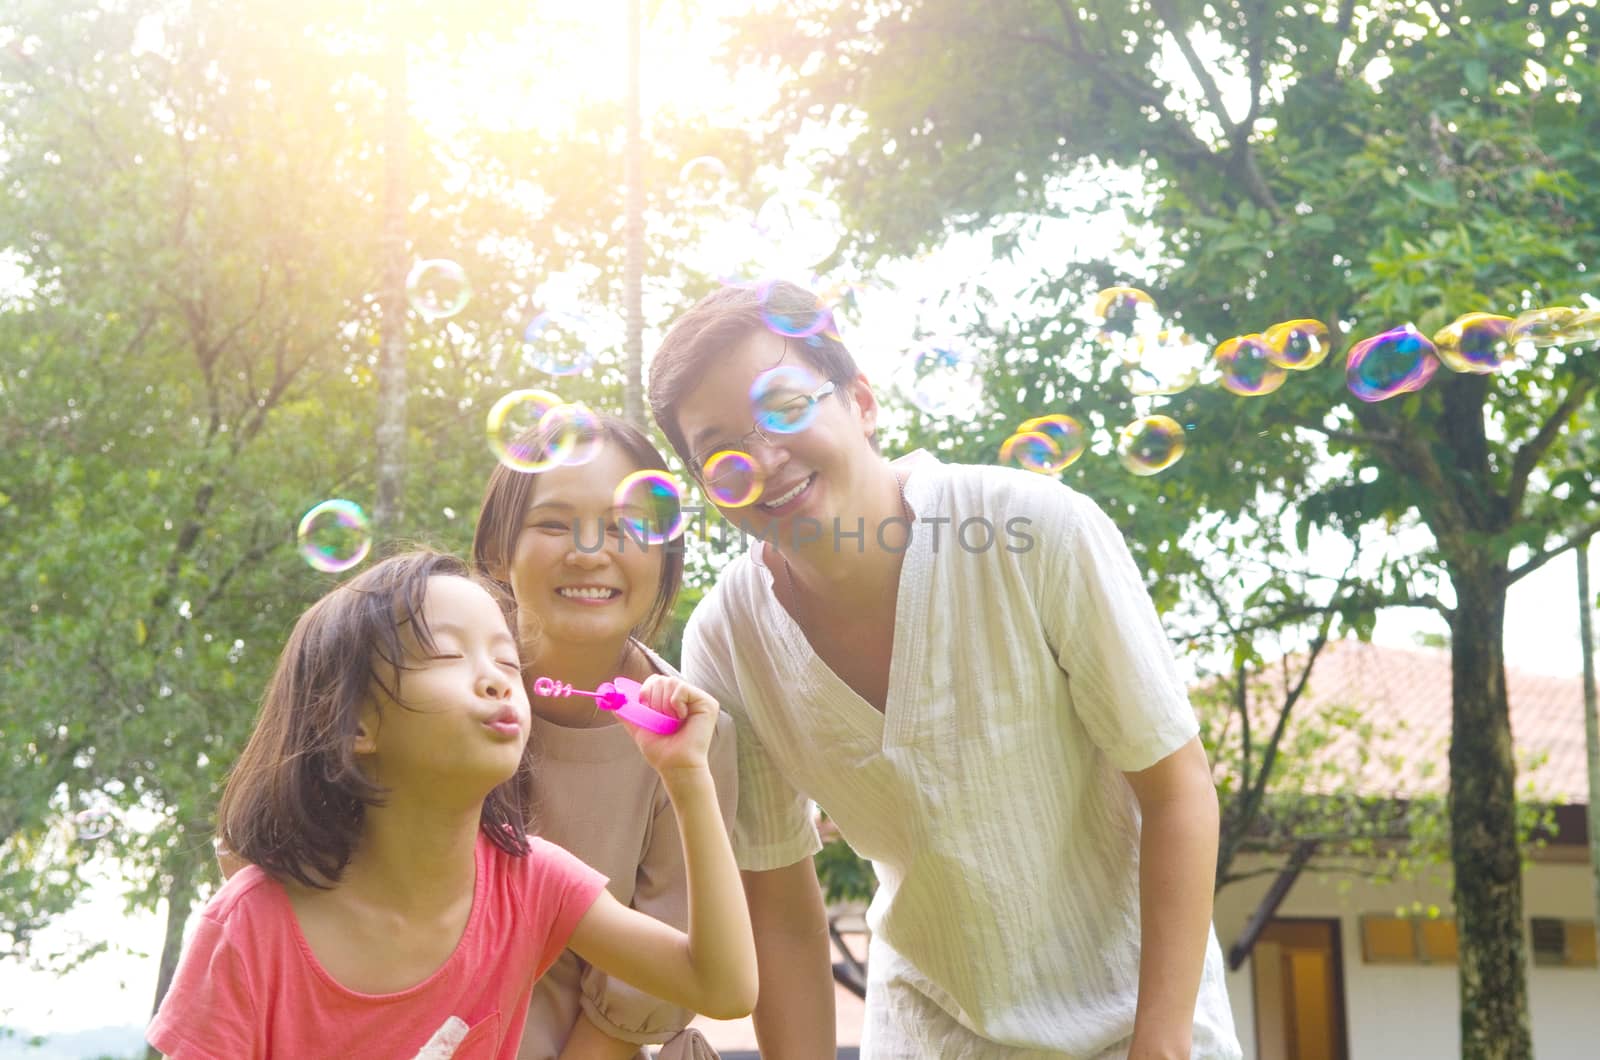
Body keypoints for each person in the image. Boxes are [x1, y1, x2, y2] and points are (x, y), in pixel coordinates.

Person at [647, 280, 1242, 1059]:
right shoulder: (728, 637)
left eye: (785, 409)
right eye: (720, 450)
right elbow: (784, 907)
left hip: (1137, 1016)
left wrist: (1160, 1047)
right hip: (930, 1027)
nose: (763, 459)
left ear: (861, 401)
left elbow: (1176, 792)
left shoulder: (1034, 529)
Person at [148, 550, 755, 1059]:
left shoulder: (531, 881)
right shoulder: (249, 929)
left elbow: (722, 987)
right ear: (355, 722)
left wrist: (687, 776)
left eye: (507, 661)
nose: (495, 679)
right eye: (446, 654)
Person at [472, 414, 737, 1060]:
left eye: (624, 527)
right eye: (555, 522)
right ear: (497, 553)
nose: (590, 550)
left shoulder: (687, 738)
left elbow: (641, 1003)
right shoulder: (430, 691)